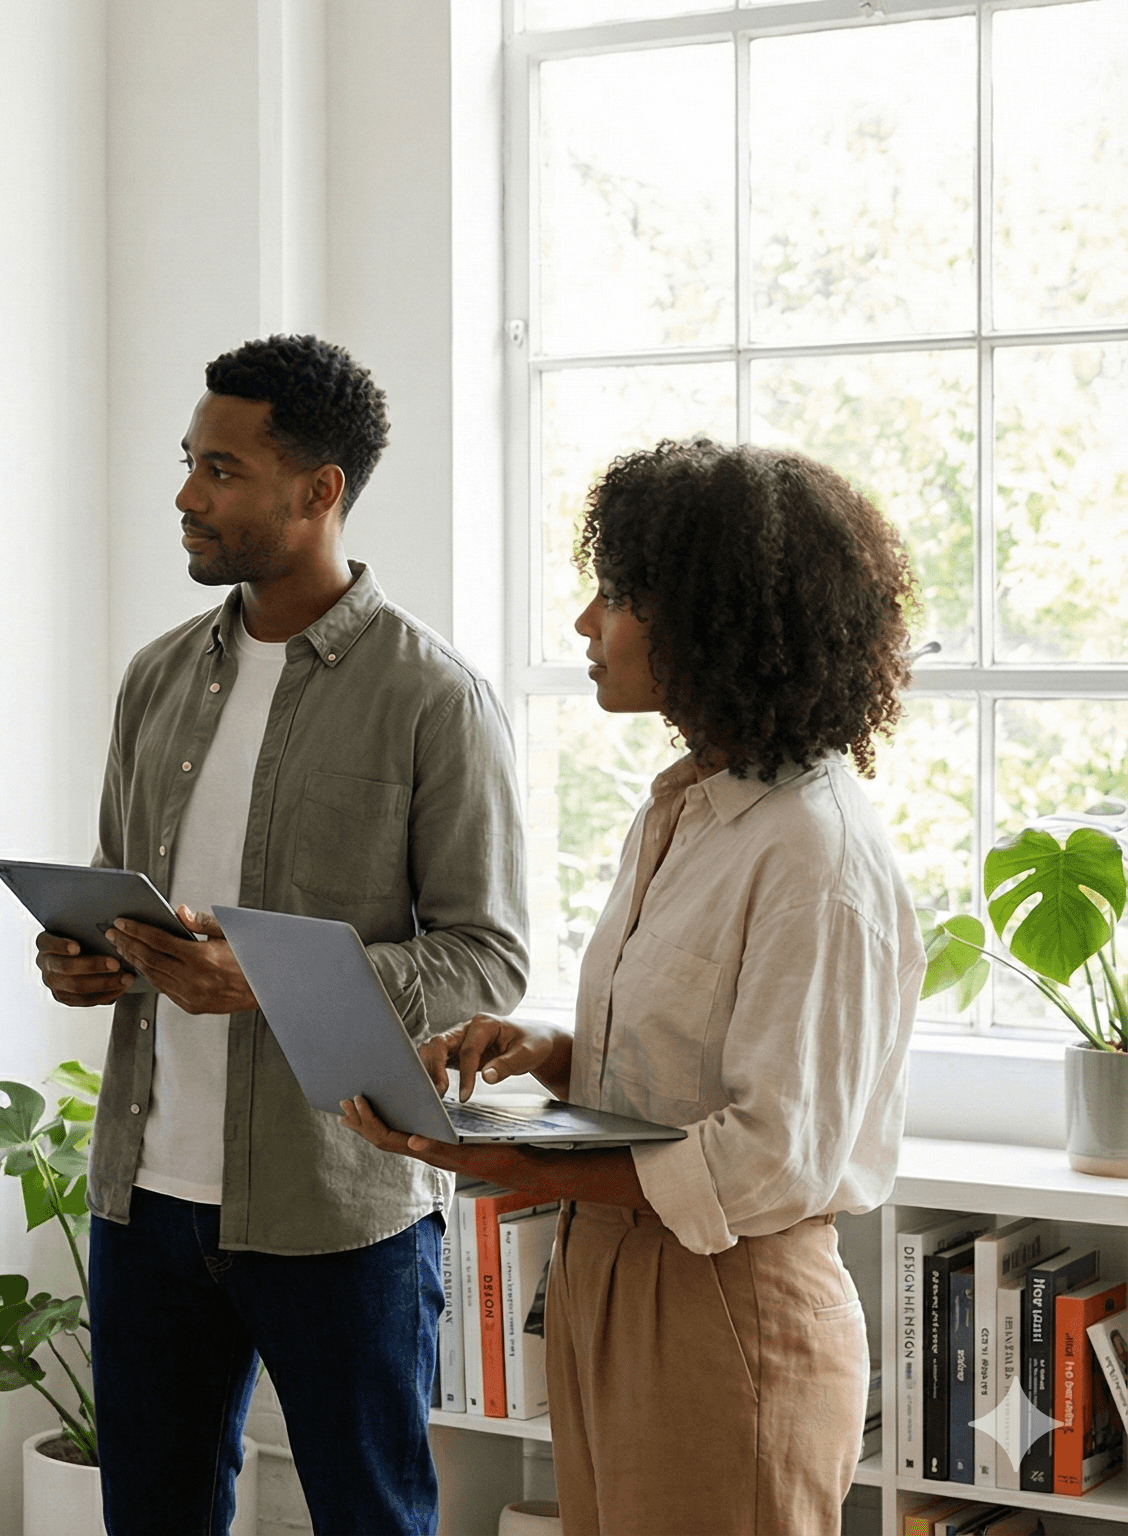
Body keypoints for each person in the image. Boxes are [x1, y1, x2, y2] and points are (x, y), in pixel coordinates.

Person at [344, 438, 921, 1534]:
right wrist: (553, 1051)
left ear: (711, 617)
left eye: (614, 596)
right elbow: (708, 1055)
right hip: (610, 1274)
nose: (582, 626)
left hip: (727, 1301)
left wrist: (511, 1162)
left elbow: (765, 1160)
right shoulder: (679, 810)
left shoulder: (814, 857)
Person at [34, 335, 528, 1534]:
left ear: (318, 493)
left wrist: (261, 979)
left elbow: (484, 954)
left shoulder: (431, 697)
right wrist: (81, 959)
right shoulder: (153, 680)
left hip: (335, 1208)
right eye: (187, 463)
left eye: (221, 470)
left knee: (367, 1518)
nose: (185, 496)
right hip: (143, 1202)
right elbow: (117, 890)